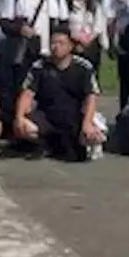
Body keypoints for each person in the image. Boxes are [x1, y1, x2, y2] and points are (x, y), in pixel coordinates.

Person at [13, 24, 102, 162]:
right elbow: (27, 94)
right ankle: (44, 144)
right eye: (53, 43)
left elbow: (91, 97)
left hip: (75, 115)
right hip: (47, 115)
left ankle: (83, 145)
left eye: (61, 43)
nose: (56, 46)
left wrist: (87, 123)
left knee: (94, 136)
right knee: (26, 127)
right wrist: (19, 118)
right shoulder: (39, 67)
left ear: (70, 46)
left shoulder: (84, 67)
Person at [0, 0, 65, 130]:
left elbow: (64, 25)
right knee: (21, 91)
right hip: (23, 53)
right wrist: (20, 29)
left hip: (49, 53)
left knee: (48, 93)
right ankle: (19, 130)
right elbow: (4, 23)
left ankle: (46, 130)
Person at [65, 0, 108, 71]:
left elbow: (99, 26)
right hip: (72, 44)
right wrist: (78, 39)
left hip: (91, 45)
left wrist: (89, 39)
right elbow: (65, 24)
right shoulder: (66, 4)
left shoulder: (94, 5)